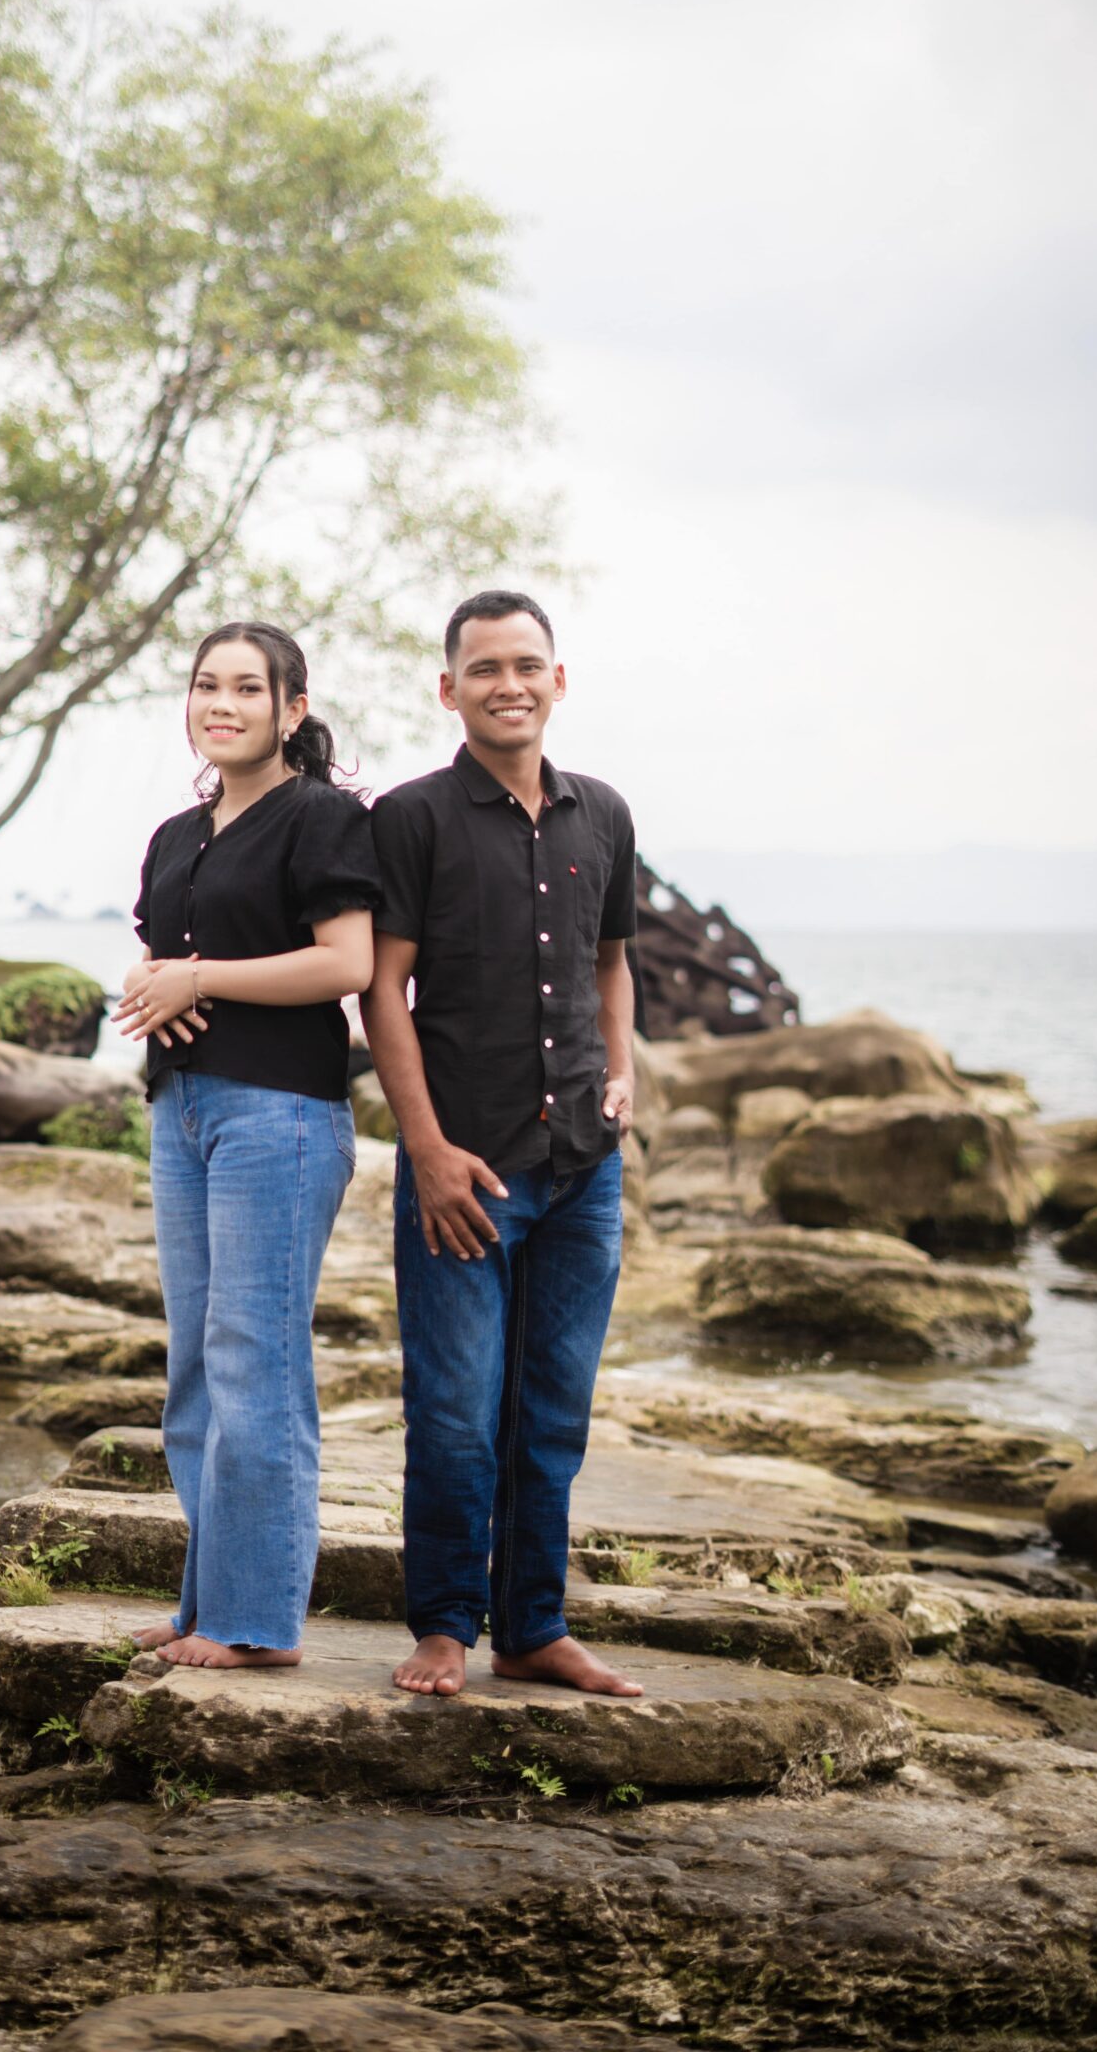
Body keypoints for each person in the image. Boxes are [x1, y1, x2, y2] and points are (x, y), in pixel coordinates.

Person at [361, 590, 645, 1700]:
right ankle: (443, 1625)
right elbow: (382, 990)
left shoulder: (603, 813)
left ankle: (531, 1628)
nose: (508, 684)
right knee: (454, 1416)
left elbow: (611, 961)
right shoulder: (412, 817)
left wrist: (622, 1070)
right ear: (449, 689)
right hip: (463, 1171)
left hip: (583, 1167)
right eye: (484, 668)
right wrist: (425, 1149)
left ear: (558, 680)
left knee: (552, 1413)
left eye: (527, 665)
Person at [117, 623, 380, 1670]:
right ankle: (206, 1604)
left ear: (291, 709)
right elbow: (157, 954)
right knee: (194, 1367)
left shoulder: (321, 818)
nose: (220, 704)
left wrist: (202, 979)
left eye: (245, 688)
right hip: (180, 1108)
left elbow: (347, 963)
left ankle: (258, 1622)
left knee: (254, 1360)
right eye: (205, 686)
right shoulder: (175, 835)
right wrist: (154, 982)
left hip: (280, 1115)